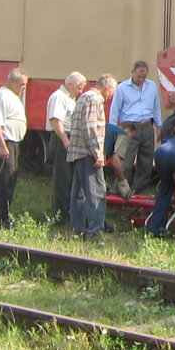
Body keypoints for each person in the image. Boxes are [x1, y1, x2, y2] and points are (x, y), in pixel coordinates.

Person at [67, 74, 118, 242]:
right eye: (112, 91)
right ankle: (95, 230)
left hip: (78, 151)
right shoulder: (95, 100)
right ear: (108, 88)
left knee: (79, 192)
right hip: (88, 153)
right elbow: (90, 128)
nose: (111, 95)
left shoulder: (83, 97)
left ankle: (78, 228)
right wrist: (97, 152)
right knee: (96, 191)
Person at [110, 60, 162, 195]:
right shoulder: (122, 88)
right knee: (125, 162)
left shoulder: (151, 86)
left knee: (146, 162)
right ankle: (119, 191)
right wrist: (112, 130)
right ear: (132, 72)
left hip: (147, 126)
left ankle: (140, 193)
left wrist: (158, 125)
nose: (141, 79)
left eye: (144, 77)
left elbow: (156, 107)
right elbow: (114, 110)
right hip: (128, 127)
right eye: (139, 76)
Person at [0, 67, 28, 228]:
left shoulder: (13, 96)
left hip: (13, 143)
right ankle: (0, 218)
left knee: (10, 179)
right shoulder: (2, 96)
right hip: (5, 142)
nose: (24, 88)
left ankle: (3, 214)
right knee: (4, 181)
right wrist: (2, 146)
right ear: (12, 81)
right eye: (22, 84)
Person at [46, 72, 86, 225]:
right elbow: (56, 121)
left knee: (69, 177)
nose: (80, 91)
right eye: (79, 87)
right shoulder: (59, 97)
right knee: (62, 179)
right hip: (62, 139)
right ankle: (60, 215)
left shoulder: (70, 98)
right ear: (70, 84)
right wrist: (65, 141)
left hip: (69, 138)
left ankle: (68, 212)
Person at [103, 122, 135, 197]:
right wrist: (123, 184)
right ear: (130, 131)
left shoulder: (108, 128)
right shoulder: (123, 134)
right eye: (132, 137)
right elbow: (115, 161)